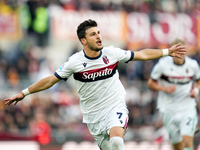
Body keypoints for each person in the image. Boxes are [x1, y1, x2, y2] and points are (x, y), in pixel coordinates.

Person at [4, 19, 186, 150]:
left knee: (117, 142)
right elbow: (51, 80)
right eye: (93, 34)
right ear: (83, 41)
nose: (98, 37)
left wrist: (166, 51)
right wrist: (24, 93)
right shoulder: (74, 62)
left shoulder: (112, 53)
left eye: (98, 33)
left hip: (115, 106)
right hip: (93, 118)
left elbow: (142, 55)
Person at [147, 39, 200, 150]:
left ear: (186, 51)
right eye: (177, 49)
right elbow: (150, 83)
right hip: (169, 108)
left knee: (187, 141)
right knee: (177, 146)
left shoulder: (193, 65)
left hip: (187, 107)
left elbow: (198, 80)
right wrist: (164, 88)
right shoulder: (162, 65)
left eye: (182, 50)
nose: (179, 53)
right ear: (171, 50)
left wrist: (195, 90)